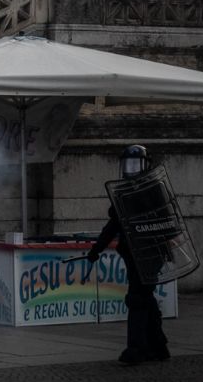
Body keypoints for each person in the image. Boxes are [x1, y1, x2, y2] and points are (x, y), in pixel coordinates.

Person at [86, 145, 170, 366]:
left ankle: (137, 349)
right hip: (133, 253)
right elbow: (114, 224)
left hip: (151, 252)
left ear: (145, 165)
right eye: (128, 165)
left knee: (137, 299)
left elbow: (167, 222)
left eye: (135, 164)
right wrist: (97, 249)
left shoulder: (154, 189)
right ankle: (158, 346)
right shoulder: (123, 192)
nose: (131, 169)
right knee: (146, 299)